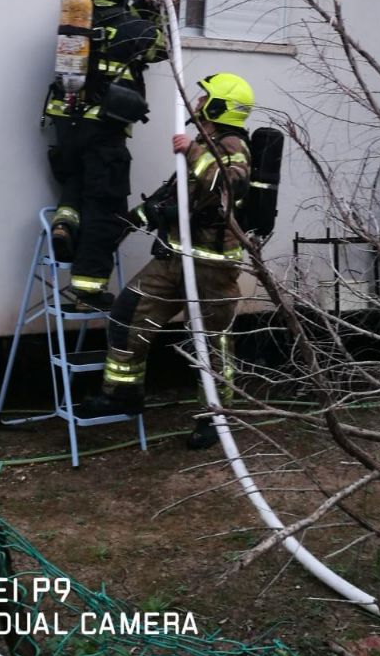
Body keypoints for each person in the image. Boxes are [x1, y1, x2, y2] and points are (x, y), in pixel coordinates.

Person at [77, 73, 254, 449]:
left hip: (212, 264)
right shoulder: (206, 142)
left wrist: (192, 150)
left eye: (205, 96)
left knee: (209, 341)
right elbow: (181, 196)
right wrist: (135, 219)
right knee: (128, 314)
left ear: (219, 105)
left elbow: (218, 186)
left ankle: (214, 418)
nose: (198, 100)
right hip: (174, 256)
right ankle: (121, 393)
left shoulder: (233, 145)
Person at [44, 0, 167, 309]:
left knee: (77, 181)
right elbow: (162, 50)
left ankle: (64, 224)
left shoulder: (80, 17)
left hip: (65, 120)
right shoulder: (134, 27)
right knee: (107, 206)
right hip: (104, 127)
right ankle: (89, 289)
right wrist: (153, 8)